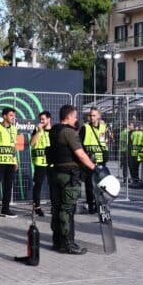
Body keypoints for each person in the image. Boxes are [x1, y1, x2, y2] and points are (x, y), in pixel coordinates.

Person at [47, 104, 97, 254]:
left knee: (57, 208)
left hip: (55, 173)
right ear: (68, 116)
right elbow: (80, 154)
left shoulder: (54, 130)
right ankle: (68, 244)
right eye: (75, 116)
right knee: (67, 210)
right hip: (69, 176)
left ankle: (57, 242)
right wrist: (94, 169)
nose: (76, 119)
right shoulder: (69, 132)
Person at [81, 107, 109, 214]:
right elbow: (80, 144)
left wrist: (105, 154)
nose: (91, 117)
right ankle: (91, 205)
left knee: (101, 184)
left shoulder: (103, 127)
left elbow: (104, 143)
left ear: (98, 116)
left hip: (101, 161)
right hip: (89, 161)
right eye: (90, 115)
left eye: (94, 115)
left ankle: (100, 206)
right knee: (89, 184)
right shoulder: (85, 128)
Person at [30, 111, 52, 217]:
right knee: (38, 185)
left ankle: (54, 206)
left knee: (53, 185)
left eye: (43, 119)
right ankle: (37, 207)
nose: (41, 121)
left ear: (49, 119)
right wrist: (38, 131)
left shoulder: (54, 131)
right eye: (40, 119)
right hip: (39, 162)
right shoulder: (37, 129)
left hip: (51, 162)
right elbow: (31, 143)